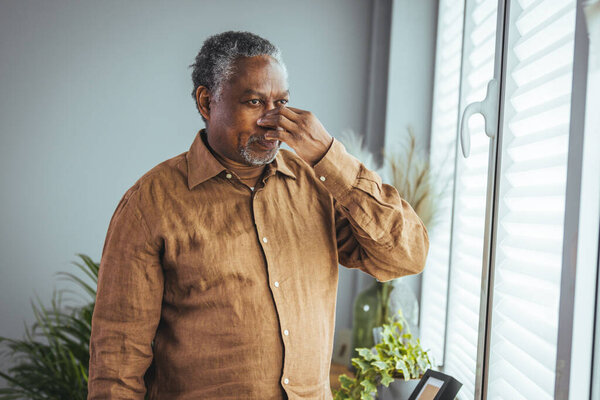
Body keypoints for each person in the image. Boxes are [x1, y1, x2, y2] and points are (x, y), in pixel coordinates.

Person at [88, 31, 429, 400]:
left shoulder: (319, 183)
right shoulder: (149, 205)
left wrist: (330, 156)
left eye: (281, 102)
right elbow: (117, 363)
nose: (274, 120)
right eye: (254, 102)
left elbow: (406, 255)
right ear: (206, 102)